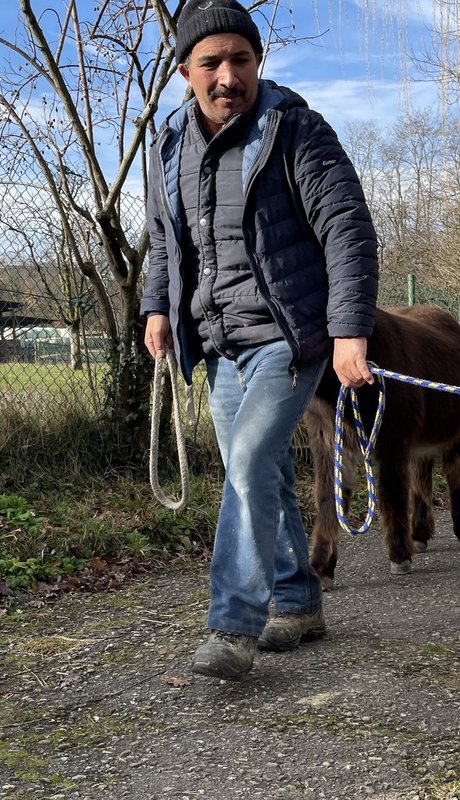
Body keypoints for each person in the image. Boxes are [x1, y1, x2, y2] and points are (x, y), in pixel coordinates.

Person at [141, 0, 379, 679]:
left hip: (288, 336)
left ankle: (234, 625)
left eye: (239, 60)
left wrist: (349, 332)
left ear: (258, 63)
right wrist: (157, 307)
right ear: (185, 70)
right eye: (210, 63)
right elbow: (165, 241)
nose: (227, 77)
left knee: (247, 462)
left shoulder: (295, 130)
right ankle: (299, 601)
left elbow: (347, 230)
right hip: (216, 342)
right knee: (262, 470)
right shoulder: (168, 146)